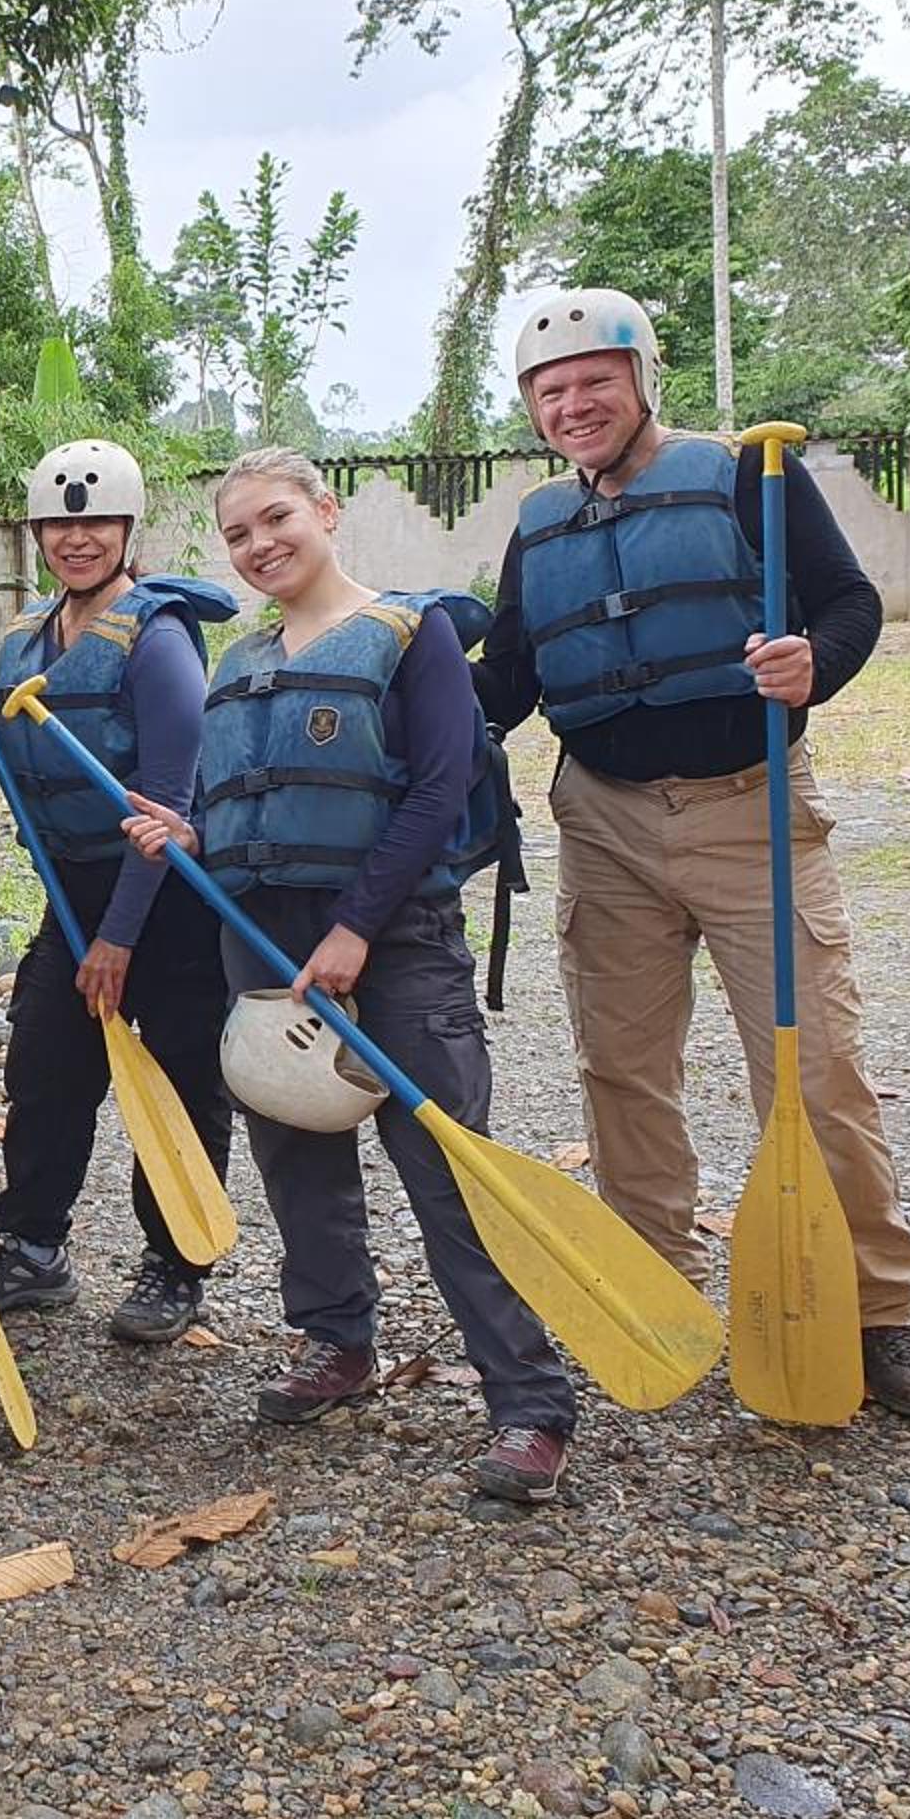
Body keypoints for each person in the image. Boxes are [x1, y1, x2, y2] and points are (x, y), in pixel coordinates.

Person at [477, 288, 910, 1419]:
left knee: (815, 1068)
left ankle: (874, 1311)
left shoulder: (749, 474)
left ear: (644, 379)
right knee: (622, 1071)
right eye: (552, 391)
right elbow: (509, 682)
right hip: (604, 823)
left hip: (751, 811)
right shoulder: (540, 525)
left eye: (596, 380)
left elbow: (848, 602)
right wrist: (409, 679)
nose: (575, 404)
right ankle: (655, 1286)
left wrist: (814, 663)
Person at [123, 446, 578, 1504]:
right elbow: (239, 804)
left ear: (326, 512)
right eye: (238, 534)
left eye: (276, 519)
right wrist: (188, 837)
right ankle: (336, 1341)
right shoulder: (238, 662)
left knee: (447, 1168)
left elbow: (436, 790)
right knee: (297, 1150)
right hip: (261, 938)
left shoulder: (414, 634)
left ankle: (528, 1400)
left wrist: (357, 929)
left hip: (394, 934)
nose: (260, 545)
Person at [0, 438, 239, 1343]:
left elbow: (167, 802)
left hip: (165, 894)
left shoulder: (159, 639)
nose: (77, 539)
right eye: (59, 525)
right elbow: (24, 770)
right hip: (72, 890)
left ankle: (176, 1265)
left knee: (180, 1081)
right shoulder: (29, 636)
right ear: (37, 533)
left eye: (97, 523)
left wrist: (118, 938)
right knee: (44, 1068)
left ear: (127, 530)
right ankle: (34, 1249)